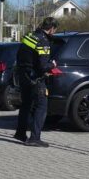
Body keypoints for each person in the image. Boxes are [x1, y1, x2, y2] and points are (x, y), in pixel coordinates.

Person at [14, 17, 58, 147]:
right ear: (51, 29)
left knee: (26, 104)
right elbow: (43, 66)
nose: (54, 33)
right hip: (36, 79)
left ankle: (20, 133)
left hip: (24, 75)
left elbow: (20, 54)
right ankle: (34, 138)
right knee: (41, 106)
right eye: (54, 30)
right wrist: (53, 64)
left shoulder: (29, 36)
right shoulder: (43, 41)